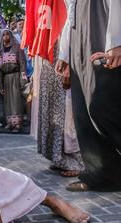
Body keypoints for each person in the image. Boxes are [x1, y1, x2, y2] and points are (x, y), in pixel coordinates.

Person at [56, 0, 121, 192]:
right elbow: (71, 15)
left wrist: (117, 41)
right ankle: (102, 175)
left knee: (103, 106)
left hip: (100, 30)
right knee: (82, 110)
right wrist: (64, 54)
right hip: (78, 39)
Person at [38, 43, 84, 178]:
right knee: (53, 112)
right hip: (50, 57)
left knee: (66, 111)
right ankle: (59, 156)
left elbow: (68, 31)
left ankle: (78, 162)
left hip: (62, 56)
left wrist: (68, 62)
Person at [0, 29, 27, 132]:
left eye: (7, 34)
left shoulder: (17, 48)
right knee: (8, 102)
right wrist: (0, 84)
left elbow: (23, 63)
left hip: (15, 76)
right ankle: (10, 123)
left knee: (16, 101)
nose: (5, 36)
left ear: (11, 35)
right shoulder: (1, 50)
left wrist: (23, 79)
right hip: (6, 78)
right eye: (3, 35)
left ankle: (18, 124)